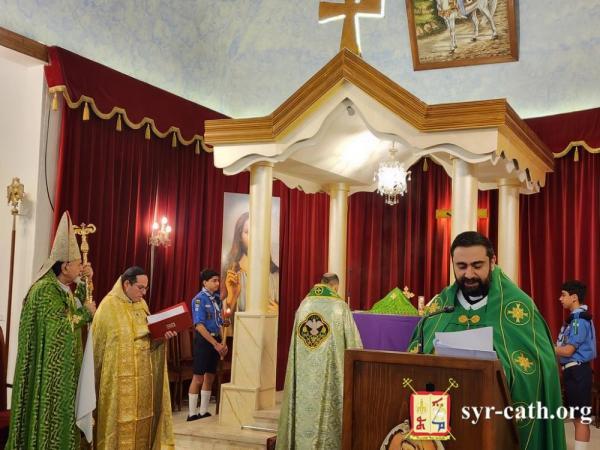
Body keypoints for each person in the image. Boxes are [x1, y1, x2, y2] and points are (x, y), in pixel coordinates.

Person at [407, 231, 566, 450]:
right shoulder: (440, 307)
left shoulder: (518, 306)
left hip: (495, 416)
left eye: (477, 265)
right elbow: (414, 357)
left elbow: (540, 367)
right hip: (442, 415)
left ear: (492, 262)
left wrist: (500, 366)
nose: (469, 274)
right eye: (461, 266)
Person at [6, 211, 96, 450]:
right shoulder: (45, 290)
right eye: (77, 264)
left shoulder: (61, 288)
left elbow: (72, 308)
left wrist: (85, 283)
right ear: (65, 266)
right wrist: (87, 314)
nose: (81, 267)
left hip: (61, 371)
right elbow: (60, 328)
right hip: (47, 374)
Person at [92, 266, 176, 449]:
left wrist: (161, 337)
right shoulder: (108, 307)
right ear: (126, 284)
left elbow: (150, 340)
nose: (144, 293)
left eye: (146, 288)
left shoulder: (142, 305)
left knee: (143, 423)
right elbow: (101, 349)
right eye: (140, 288)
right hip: (119, 383)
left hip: (143, 381)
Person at [276, 273, 363, 449]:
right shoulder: (340, 308)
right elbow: (354, 346)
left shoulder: (304, 306)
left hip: (303, 376)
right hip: (329, 376)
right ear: (335, 287)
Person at [555, 280, 596, 450]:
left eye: (563, 295)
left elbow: (568, 350)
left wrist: (545, 347)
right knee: (577, 417)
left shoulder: (579, 320)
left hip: (578, 371)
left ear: (574, 297)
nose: (560, 298)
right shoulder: (573, 319)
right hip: (572, 371)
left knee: (580, 418)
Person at [187, 269, 228, 421]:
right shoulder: (199, 299)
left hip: (216, 340)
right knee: (198, 377)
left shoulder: (216, 299)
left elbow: (219, 320)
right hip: (204, 341)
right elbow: (199, 326)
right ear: (205, 282)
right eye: (214, 281)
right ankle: (192, 413)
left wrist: (221, 342)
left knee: (210, 377)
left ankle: (203, 411)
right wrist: (215, 344)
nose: (217, 283)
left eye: (218, 280)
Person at [222, 211, 279, 314]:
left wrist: (278, 311)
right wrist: (231, 298)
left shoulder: (275, 274)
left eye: (258, 232)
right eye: (247, 232)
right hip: (241, 324)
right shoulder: (232, 273)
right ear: (240, 237)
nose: (254, 237)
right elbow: (224, 317)